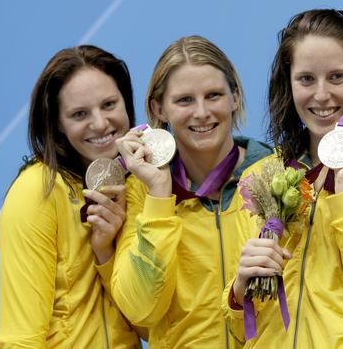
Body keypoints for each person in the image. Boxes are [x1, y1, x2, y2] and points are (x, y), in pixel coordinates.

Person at [222, 9, 343, 348]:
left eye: (337, 77)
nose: (321, 95)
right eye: (306, 79)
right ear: (288, 83)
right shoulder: (262, 177)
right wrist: (239, 289)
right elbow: (243, 333)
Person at [111, 35, 272, 348]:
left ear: (234, 98)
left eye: (213, 95)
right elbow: (140, 308)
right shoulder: (140, 192)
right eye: (185, 100)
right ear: (160, 108)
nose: (201, 112)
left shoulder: (274, 175)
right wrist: (159, 195)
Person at [0, 45, 141, 348]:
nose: (100, 123)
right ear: (57, 123)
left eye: (109, 104)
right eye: (79, 114)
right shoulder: (36, 192)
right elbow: (20, 338)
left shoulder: (136, 184)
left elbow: (148, 325)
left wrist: (106, 255)